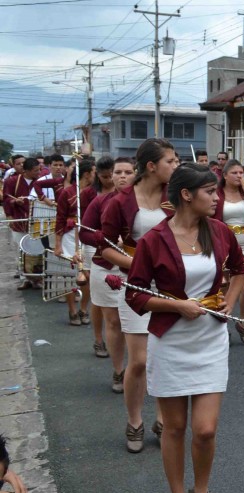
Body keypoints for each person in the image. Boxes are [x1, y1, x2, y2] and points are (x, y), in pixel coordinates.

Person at [126, 163, 244, 493]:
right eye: (210, 192)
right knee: (175, 427)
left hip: (210, 339)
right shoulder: (154, 239)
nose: (218, 198)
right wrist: (177, 307)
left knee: (206, 429)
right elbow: (135, 293)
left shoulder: (220, 232)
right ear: (186, 194)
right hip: (171, 341)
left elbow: (241, 269)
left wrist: (227, 301)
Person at [101, 139, 177, 453]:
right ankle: (134, 420)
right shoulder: (120, 201)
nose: (175, 166)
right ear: (151, 166)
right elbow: (104, 247)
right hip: (135, 284)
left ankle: (162, 418)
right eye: (170, 161)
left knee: (164, 357)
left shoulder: (175, 195)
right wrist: (139, 264)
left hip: (172, 284)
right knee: (140, 360)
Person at [80, 157, 135, 393]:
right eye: (118, 172)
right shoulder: (100, 201)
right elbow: (84, 234)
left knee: (137, 323)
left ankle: (138, 368)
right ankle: (118, 369)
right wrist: (105, 240)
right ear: (110, 176)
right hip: (105, 267)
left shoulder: (148, 202)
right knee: (113, 321)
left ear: (137, 174)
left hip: (137, 269)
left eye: (128, 172)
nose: (122, 176)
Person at [214, 160, 244, 345]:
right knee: (223, 290)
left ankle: (242, 321)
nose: (239, 176)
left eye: (241, 172)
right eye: (234, 172)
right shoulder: (216, 194)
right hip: (222, 246)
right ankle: (221, 325)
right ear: (224, 175)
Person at [54, 159, 96, 329]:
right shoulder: (67, 193)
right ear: (86, 174)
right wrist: (57, 244)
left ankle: (84, 308)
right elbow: (60, 219)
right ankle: (72, 310)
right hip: (70, 237)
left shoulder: (95, 193)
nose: (97, 176)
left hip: (91, 235)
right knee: (69, 275)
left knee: (89, 275)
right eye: (94, 172)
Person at [3, 157, 43, 290]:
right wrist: (13, 206)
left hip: (37, 221)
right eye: (36, 171)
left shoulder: (42, 182)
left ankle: (37, 279)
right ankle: (24, 278)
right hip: (19, 220)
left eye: (39, 170)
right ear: (26, 171)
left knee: (38, 250)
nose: (38, 173)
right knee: (21, 250)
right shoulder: (12, 181)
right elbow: (6, 198)